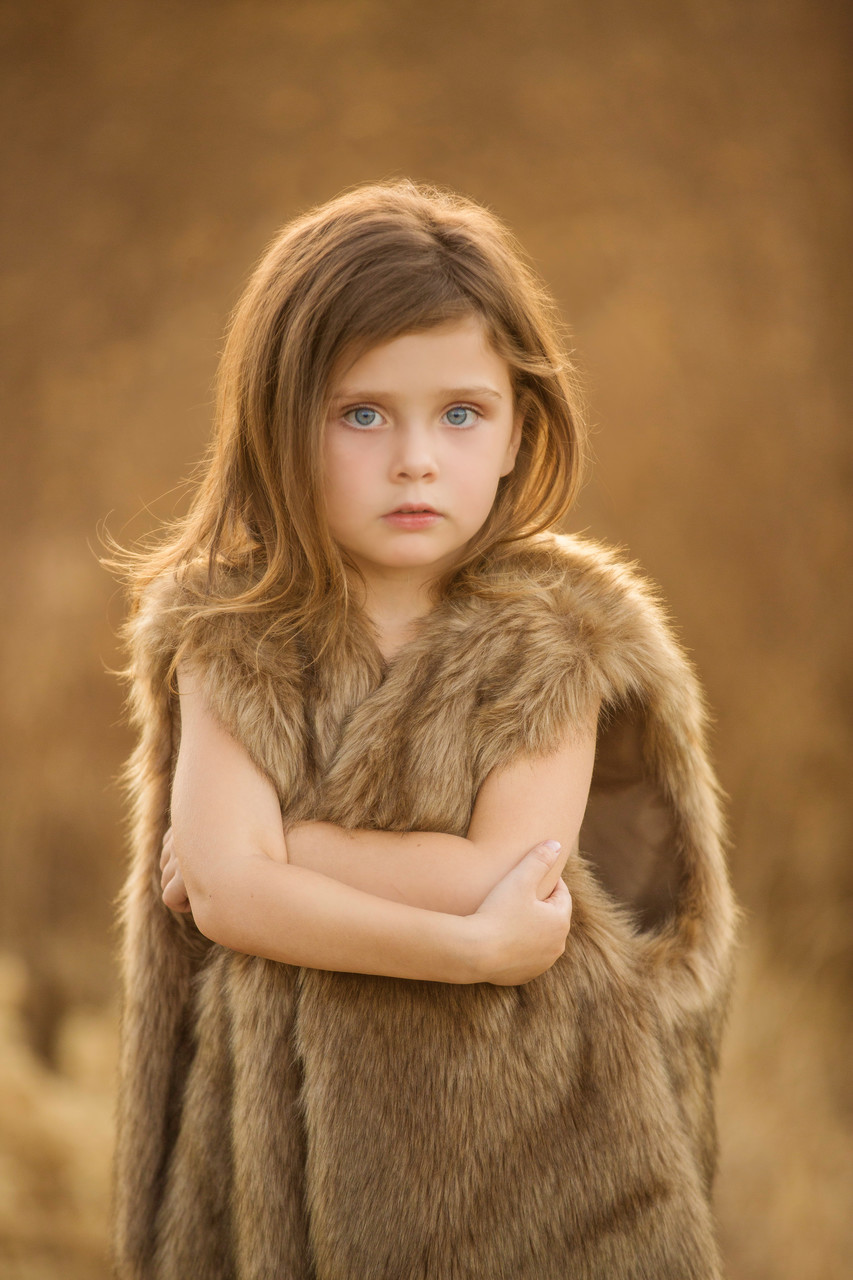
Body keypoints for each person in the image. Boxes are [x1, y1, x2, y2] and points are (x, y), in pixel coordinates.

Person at [112, 180, 737, 1280]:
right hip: (276, 1178)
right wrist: (468, 946)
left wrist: (282, 854)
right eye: (362, 413)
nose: (415, 457)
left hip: (533, 1172)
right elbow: (226, 890)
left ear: (515, 432)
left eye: (461, 413)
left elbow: (507, 865)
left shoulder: (556, 631)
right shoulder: (236, 630)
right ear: (277, 422)